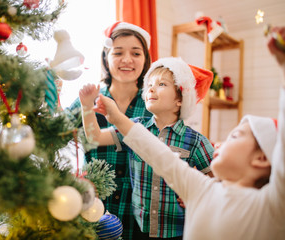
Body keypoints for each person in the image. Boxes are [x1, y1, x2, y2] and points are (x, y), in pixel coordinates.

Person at [86, 27, 285, 240]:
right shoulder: (200, 189)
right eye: (150, 86)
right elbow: (156, 152)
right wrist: (112, 116)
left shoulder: (272, 207)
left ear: (262, 157)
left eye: (235, 136)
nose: (221, 144)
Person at [79, 57, 215, 239]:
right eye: (149, 84)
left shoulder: (194, 140)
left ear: (181, 99)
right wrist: (86, 106)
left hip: (177, 232)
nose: (151, 88)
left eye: (162, 84)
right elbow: (94, 137)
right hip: (138, 230)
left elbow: (219, 179)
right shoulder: (133, 127)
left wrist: (200, 195)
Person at [66, 21, 153, 239]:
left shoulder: (154, 103)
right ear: (106, 57)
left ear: (145, 60)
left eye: (136, 53)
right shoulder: (88, 99)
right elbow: (54, 132)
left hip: (141, 217)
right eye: (118, 52)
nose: (127, 60)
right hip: (92, 211)